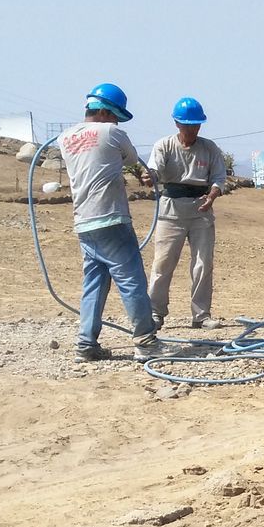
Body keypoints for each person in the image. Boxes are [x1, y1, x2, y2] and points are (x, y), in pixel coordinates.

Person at [58, 82, 160, 362]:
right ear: (104, 111)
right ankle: (145, 342)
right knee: (132, 280)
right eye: (114, 114)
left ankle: (86, 344)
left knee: (94, 282)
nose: (116, 120)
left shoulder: (64, 138)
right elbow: (129, 159)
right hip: (112, 218)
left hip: (84, 222)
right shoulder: (113, 133)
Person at [145, 96, 228, 329]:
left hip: (201, 209)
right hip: (171, 210)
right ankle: (155, 312)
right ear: (177, 123)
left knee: (203, 263)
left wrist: (212, 195)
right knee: (163, 263)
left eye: (196, 124)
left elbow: (219, 177)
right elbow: (155, 168)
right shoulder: (164, 145)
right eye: (187, 124)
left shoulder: (209, 148)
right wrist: (150, 176)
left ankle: (201, 315)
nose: (192, 129)